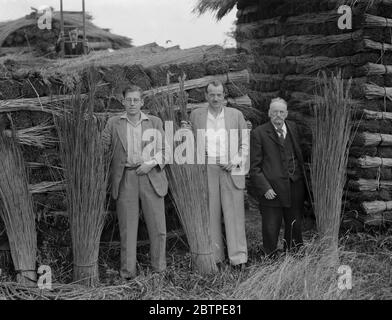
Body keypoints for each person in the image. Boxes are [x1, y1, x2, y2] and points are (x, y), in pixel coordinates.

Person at [102, 85, 168, 279]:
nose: (132, 103)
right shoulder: (113, 123)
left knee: (158, 227)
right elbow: (102, 147)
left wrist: (150, 164)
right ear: (123, 102)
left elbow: (166, 152)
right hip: (126, 178)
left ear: (142, 102)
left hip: (150, 176)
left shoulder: (154, 122)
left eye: (135, 100)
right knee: (127, 229)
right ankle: (127, 273)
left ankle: (159, 269)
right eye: (128, 100)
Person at [189, 80, 249, 269]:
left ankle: (238, 258)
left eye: (219, 94)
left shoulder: (235, 115)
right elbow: (189, 139)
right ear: (206, 96)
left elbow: (244, 142)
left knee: (234, 214)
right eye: (211, 94)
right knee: (211, 213)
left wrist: (236, 161)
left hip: (230, 166)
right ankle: (216, 257)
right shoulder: (197, 115)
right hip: (207, 166)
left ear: (224, 97)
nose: (215, 98)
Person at [250, 97, 306, 256]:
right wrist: (264, 187)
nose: (278, 115)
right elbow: (254, 167)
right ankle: (270, 254)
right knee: (271, 223)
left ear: (286, 114)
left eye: (281, 112)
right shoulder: (258, 133)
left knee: (294, 221)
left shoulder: (293, 128)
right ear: (269, 113)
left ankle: (294, 252)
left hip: (294, 184)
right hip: (271, 188)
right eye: (275, 112)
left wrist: (299, 177)